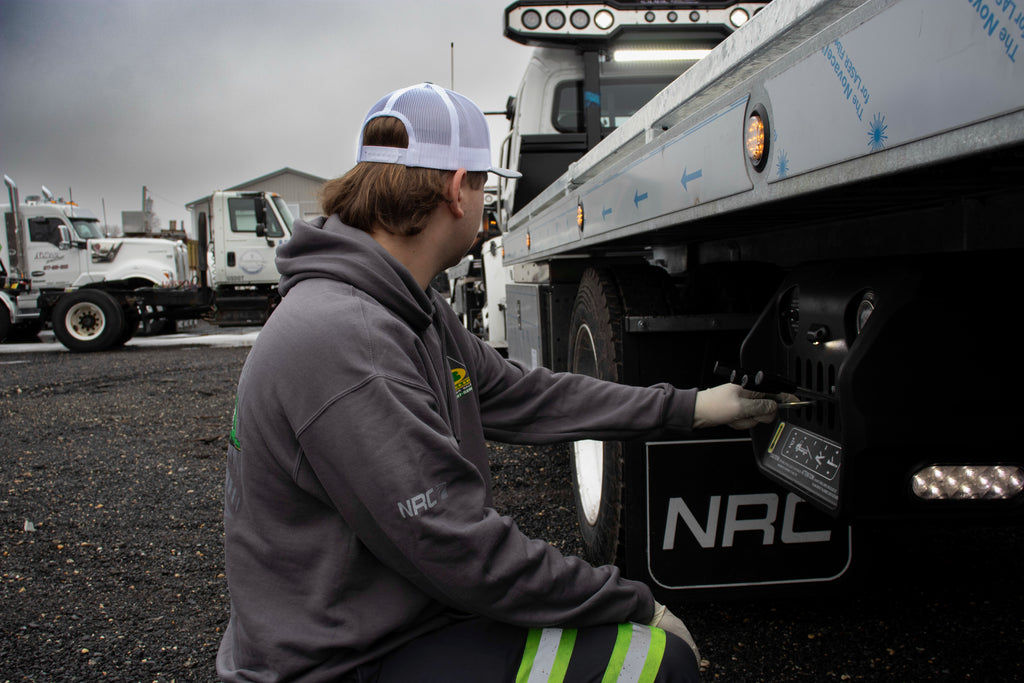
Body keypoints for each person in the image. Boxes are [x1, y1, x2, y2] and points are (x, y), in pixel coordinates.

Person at [217, 82, 779, 683]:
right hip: (340, 664)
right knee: (650, 661)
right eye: (485, 185)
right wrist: (636, 603)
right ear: (457, 190)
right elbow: (458, 547)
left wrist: (691, 408)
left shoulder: (408, 309)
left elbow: (524, 395)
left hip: (390, 623)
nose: (486, 205)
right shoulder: (349, 337)